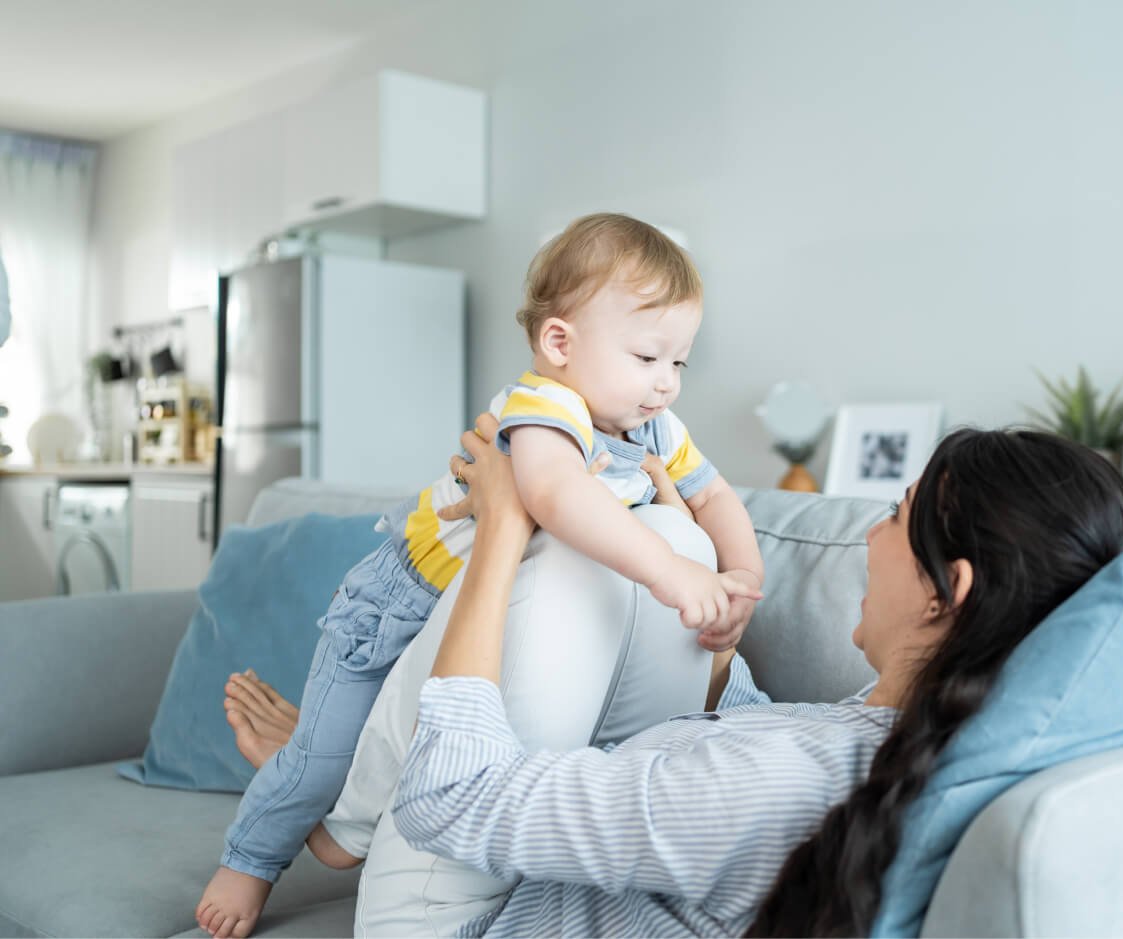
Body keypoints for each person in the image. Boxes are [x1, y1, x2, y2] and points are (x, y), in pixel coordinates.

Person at [220, 414, 1123, 936]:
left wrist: (506, 525)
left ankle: (334, 800)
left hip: (445, 923)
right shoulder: (887, 744)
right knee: (667, 538)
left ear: (950, 592)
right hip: (546, 852)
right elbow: (728, 759)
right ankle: (334, 760)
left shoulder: (790, 783)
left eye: (895, 515)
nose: (870, 533)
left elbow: (452, 801)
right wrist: (707, 620)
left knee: (591, 548)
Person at [195, 214, 766, 939]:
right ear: (560, 343)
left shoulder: (652, 429)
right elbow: (556, 497)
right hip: (398, 601)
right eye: (649, 357)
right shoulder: (541, 410)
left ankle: (342, 832)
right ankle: (247, 861)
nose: (666, 385)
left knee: (388, 743)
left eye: (679, 363)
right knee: (319, 758)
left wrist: (740, 571)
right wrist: (675, 574)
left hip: (473, 613)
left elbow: (714, 496)